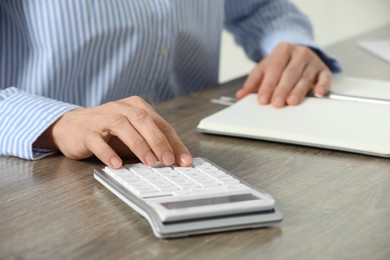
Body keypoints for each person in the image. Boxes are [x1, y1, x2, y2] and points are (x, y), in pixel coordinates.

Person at [0, 0, 341, 168]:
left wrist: (290, 44)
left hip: (192, 148)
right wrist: (59, 122)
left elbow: (259, 7)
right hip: (51, 172)